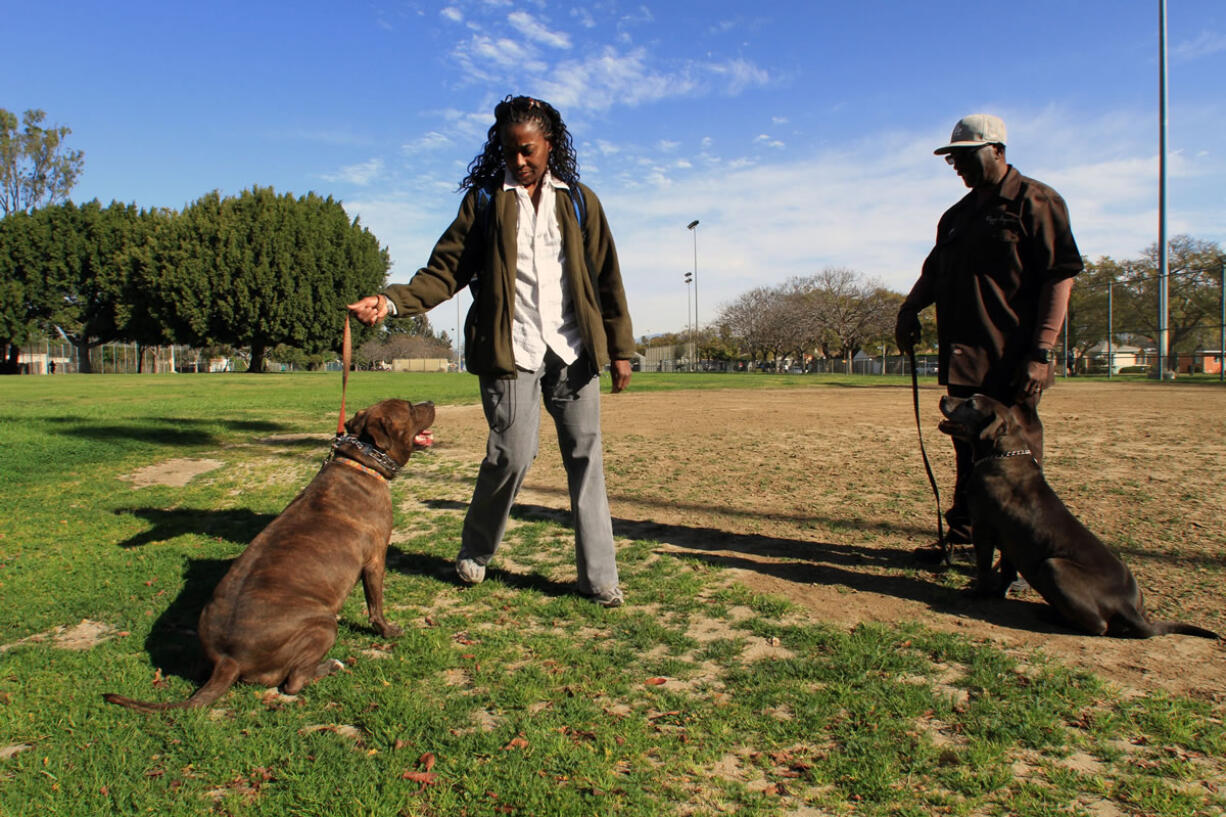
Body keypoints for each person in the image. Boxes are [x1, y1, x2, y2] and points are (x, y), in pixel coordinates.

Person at [348, 95, 635, 606]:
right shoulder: (484, 202)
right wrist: (390, 302)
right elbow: (446, 270)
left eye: (528, 150)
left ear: (550, 144)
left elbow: (606, 278)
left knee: (586, 457)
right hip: (511, 347)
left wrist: (620, 349)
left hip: (572, 349)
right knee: (511, 454)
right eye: (509, 151)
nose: (519, 161)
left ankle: (599, 579)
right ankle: (477, 550)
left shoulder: (580, 201)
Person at [894, 113, 1082, 559]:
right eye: (951, 159)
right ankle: (963, 542)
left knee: (1015, 462)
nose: (956, 165)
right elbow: (934, 272)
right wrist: (908, 308)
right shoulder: (956, 217)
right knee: (968, 456)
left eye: (964, 156)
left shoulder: (1035, 201)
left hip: (1013, 360)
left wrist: (1042, 351)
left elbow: (1060, 276)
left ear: (996, 150)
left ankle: (1021, 555)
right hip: (966, 359)